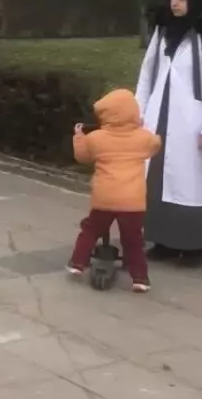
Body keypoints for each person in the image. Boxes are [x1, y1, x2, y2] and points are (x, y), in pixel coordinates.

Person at [135, 0, 202, 266]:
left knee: (187, 182)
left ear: (195, 1)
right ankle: (162, 240)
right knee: (156, 179)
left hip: (192, 121)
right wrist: (137, 113)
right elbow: (147, 74)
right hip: (158, 115)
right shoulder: (164, 30)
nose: (174, 3)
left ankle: (191, 246)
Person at [66, 89, 162, 293]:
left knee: (91, 229)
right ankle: (140, 279)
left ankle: (77, 264)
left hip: (105, 197)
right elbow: (156, 144)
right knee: (133, 239)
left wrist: (79, 137)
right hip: (133, 200)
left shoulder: (97, 138)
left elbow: (83, 156)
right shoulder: (142, 138)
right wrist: (143, 129)